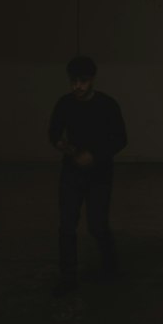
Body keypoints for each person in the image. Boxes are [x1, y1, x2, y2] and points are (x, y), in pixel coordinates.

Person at [48, 55, 127, 294]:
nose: (77, 87)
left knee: (97, 224)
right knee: (67, 225)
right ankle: (68, 275)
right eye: (73, 81)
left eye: (82, 81)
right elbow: (53, 133)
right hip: (72, 171)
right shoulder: (65, 104)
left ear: (92, 80)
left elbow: (121, 140)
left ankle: (110, 267)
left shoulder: (107, 105)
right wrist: (64, 146)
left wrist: (94, 156)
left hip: (99, 174)